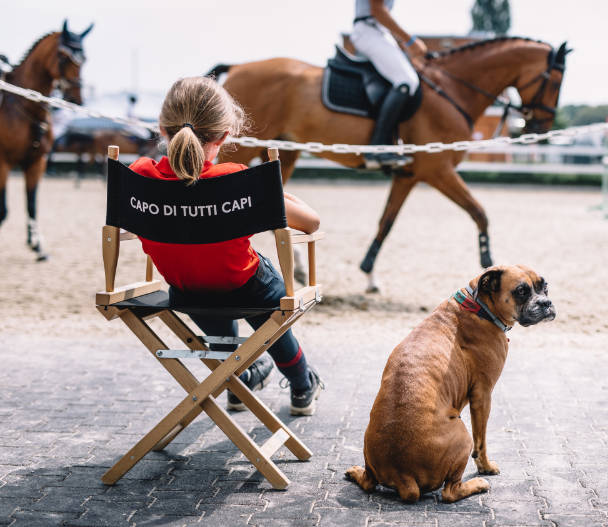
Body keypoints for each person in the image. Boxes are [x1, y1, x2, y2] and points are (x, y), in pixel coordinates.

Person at [130, 77, 324, 415]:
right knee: (269, 306)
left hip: (185, 293)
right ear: (225, 134)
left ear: (162, 129)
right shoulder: (235, 180)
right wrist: (271, 190)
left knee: (206, 275)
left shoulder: (140, 176)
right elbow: (312, 222)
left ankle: (241, 378)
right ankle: (301, 384)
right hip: (248, 291)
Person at [350, 0, 427, 169]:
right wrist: (410, 40)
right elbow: (378, 10)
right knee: (406, 81)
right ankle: (377, 148)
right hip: (368, 30)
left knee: (408, 75)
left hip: (378, 32)